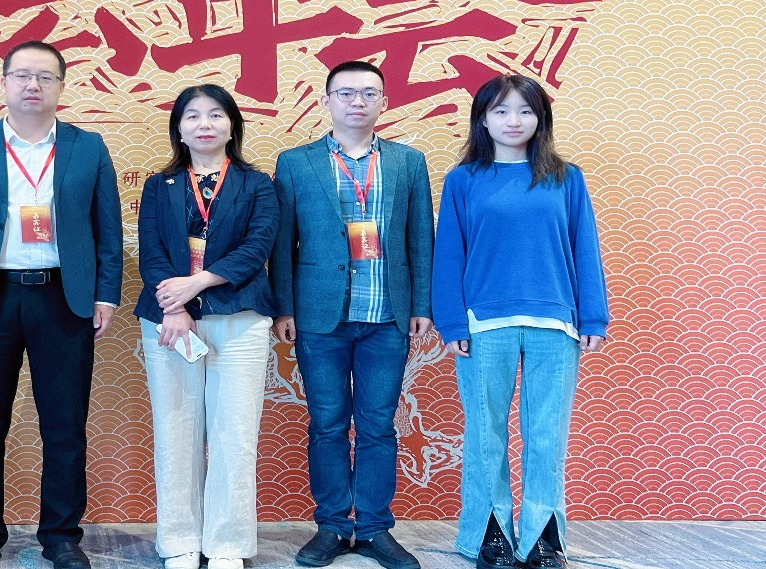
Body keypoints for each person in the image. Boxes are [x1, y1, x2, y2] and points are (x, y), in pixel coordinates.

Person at [0, 41, 123, 569]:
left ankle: (61, 536)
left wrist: (105, 293)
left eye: (45, 77)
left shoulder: (88, 147)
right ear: (4, 83)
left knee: (64, 427)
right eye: (22, 76)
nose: (32, 85)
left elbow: (108, 228)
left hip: (64, 299)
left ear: (61, 86)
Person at [432, 75, 608, 569]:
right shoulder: (464, 179)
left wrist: (593, 315)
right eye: (502, 111)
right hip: (483, 323)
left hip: (556, 323)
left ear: (541, 119)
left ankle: (542, 537)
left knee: (547, 434)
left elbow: (585, 247)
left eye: (526, 111)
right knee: (484, 433)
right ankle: (488, 534)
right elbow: (449, 255)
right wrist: (452, 322)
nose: (514, 121)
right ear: (483, 119)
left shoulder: (566, 178)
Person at [270, 60, 434, 569]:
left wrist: (421, 305)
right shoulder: (295, 163)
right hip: (320, 318)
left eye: (368, 93)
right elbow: (282, 243)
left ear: (384, 101)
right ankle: (333, 526)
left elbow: (420, 238)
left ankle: (376, 529)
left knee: (379, 425)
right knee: (327, 425)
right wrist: (284, 307)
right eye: (345, 93)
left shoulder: (408, 162)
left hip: (387, 316)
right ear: (326, 102)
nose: (357, 101)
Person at [136, 84, 279, 569]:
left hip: (239, 319)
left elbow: (257, 247)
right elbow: (152, 252)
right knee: (175, 431)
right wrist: (174, 306)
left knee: (234, 435)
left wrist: (196, 284)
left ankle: (228, 545)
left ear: (232, 125)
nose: (205, 124)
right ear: (178, 128)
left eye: (216, 115)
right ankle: (178, 542)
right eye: (193, 115)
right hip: (169, 322)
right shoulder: (159, 185)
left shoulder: (257, 184)